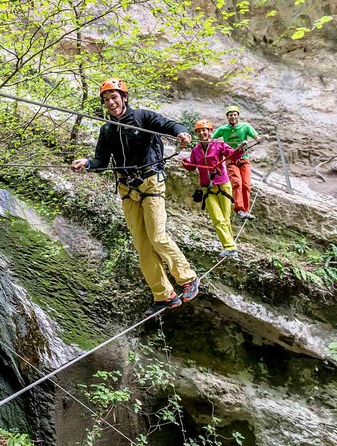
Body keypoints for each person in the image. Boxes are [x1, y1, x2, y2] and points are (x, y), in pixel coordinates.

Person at [71, 78, 200, 317]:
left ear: (124, 98)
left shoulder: (143, 117)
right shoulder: (107, 130)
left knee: (157, 236)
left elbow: (169, 125)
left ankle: (188, 278)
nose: (111, 103)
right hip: (127, 190)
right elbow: (101, 161)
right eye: (107, 99)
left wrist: (182, 133)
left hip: (151, 182)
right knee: (142, 245)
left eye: (114, 98)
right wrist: (87, 163)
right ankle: (164, 295)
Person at [182, 119, 246, 258]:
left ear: (210, 131)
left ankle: (231, 248)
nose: (201, 133)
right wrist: (185, 163)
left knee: (225, 218)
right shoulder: (196, 149)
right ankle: (229, 246)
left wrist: (240, 149)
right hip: (207, 188)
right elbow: (192, 167)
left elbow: (232, 155)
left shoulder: (218, 145)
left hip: (223, 185)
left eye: (204, 130)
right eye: (199, 131)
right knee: (218, 218)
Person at [211, 105, 260, 220]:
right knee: (237, 182)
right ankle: (239, 209)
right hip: (231, 159)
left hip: (244, 158)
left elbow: (256, 137)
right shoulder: (223, 129)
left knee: (246, 185)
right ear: (227, 117)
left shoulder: (245, 126)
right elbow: (212, 139)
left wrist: (259, 139)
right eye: (230, 115)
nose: (233, 117)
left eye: (235, 115)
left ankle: (246, 210)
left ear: (238, 116)